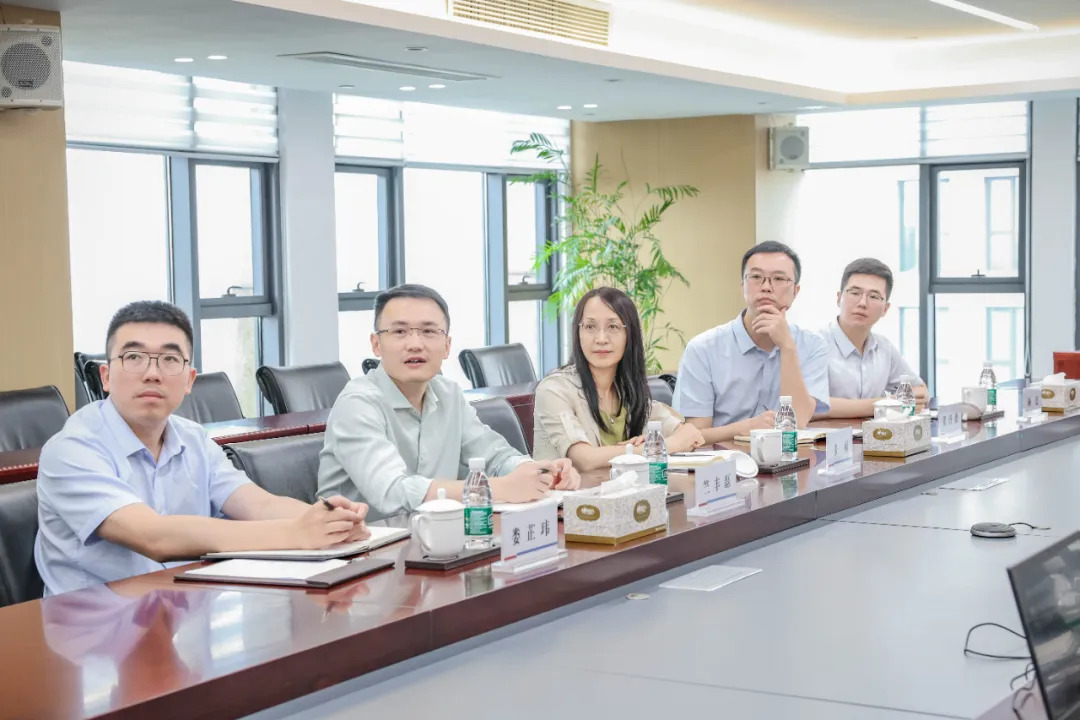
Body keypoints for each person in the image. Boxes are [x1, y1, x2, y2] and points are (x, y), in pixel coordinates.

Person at [35, 301, 369, 597]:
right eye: (134, 357)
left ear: (189, 380)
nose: (152, 373)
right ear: (106, 376)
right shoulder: (72, 450)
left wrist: (331, 522)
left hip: (179, 616)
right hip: (93, 631)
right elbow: (153, 537)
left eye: (169, 359)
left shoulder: (192, 438)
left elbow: (258, 504)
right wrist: (295, 533)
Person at [318, 284, 580, 523]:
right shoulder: (357, 403)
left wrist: (540, 472)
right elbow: (392, 492)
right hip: (359, 548)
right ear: (376, 344)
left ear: (447, 346)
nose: (415, 344)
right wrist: (498, 488)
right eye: (399, 332)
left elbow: (496, 456)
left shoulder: (449, 394)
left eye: (429, 331)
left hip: (436, 538)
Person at [672, 241, 830, 443]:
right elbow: (692, 436)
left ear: (795, 291)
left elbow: (797, 421)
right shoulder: (703, 349)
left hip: (786, 457)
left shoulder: (813, 345)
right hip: (723, 458)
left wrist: (787, 347)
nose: (766, 287)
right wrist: (745, 428)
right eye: (756, 277)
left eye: (779, 279)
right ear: (743, 286)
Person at [533, 287, 704, 471]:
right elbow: (585, 459)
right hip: (570, 490)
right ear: (578, 332)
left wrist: (654, 443)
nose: (601, 338)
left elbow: (690, 434)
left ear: (629, 335)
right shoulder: (554, 390)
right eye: (590, 327)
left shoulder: (626, 389)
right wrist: (656, 447)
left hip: (623, 489)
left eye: (613, 327)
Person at [818, 258, 928, 418]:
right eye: (855, 293)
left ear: (885, 309)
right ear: (838, 298)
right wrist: (885, 404)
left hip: (876, 433)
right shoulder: (815, 344)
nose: (863, 303)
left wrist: (896, 401)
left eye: (874, 297)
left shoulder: (884, 347)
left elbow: (920, 391)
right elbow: (811, 406)